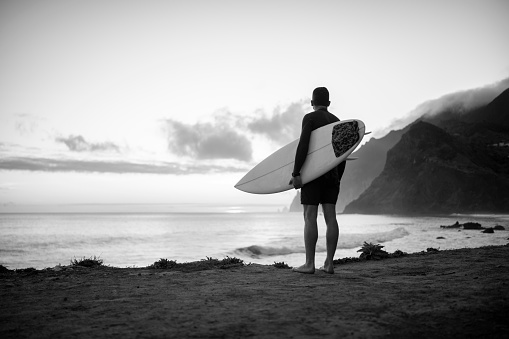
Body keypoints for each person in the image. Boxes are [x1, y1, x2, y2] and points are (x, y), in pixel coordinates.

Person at [289, 87, 346, 274]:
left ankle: (309, 264)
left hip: (313, 175)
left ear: (312, 103)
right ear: (329, 104)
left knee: (309, 216)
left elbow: (303, 144)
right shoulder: (338, 122)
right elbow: (342, 155)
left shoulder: (310, 118)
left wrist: (296, 172)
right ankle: (329, 263)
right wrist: (338, 178)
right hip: (332, 175)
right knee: (331, 218)